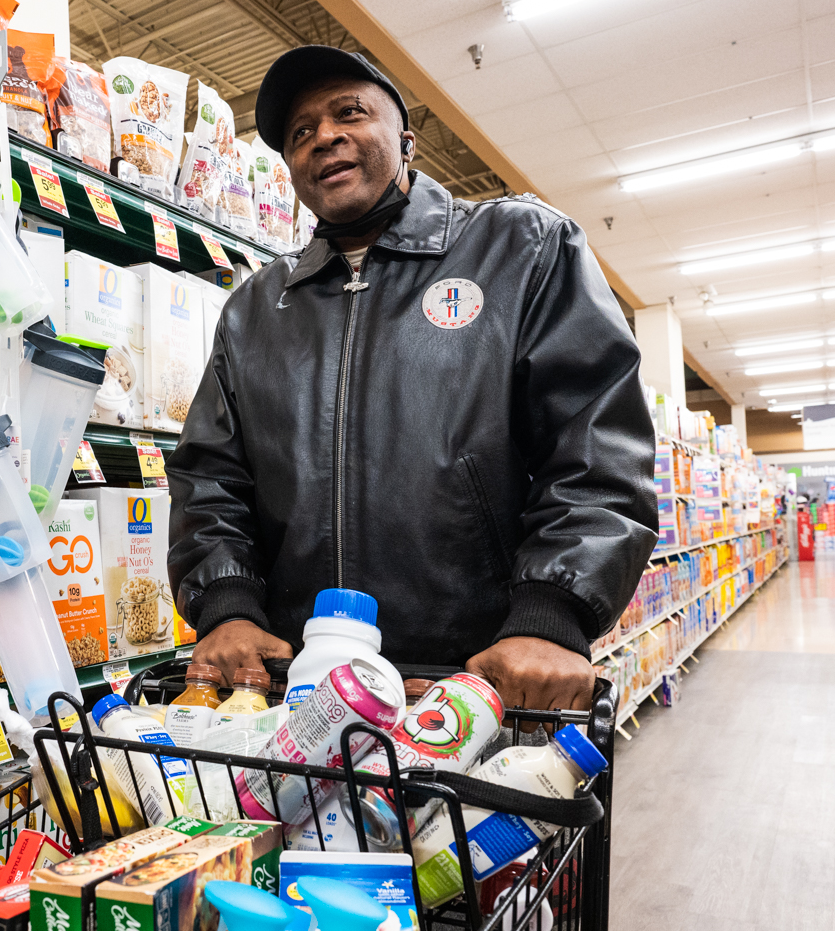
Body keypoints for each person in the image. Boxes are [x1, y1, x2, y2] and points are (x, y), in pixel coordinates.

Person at [167, 46, 658, 711]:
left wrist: (553, 612)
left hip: (480, 690)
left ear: (406, 137)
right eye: (300, 133)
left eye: (350, 112)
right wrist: (226, 606)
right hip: (297, 700)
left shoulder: (523, 249)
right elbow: (210, 477)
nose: (325, 137)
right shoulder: (257, 308)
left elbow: (596, 445)